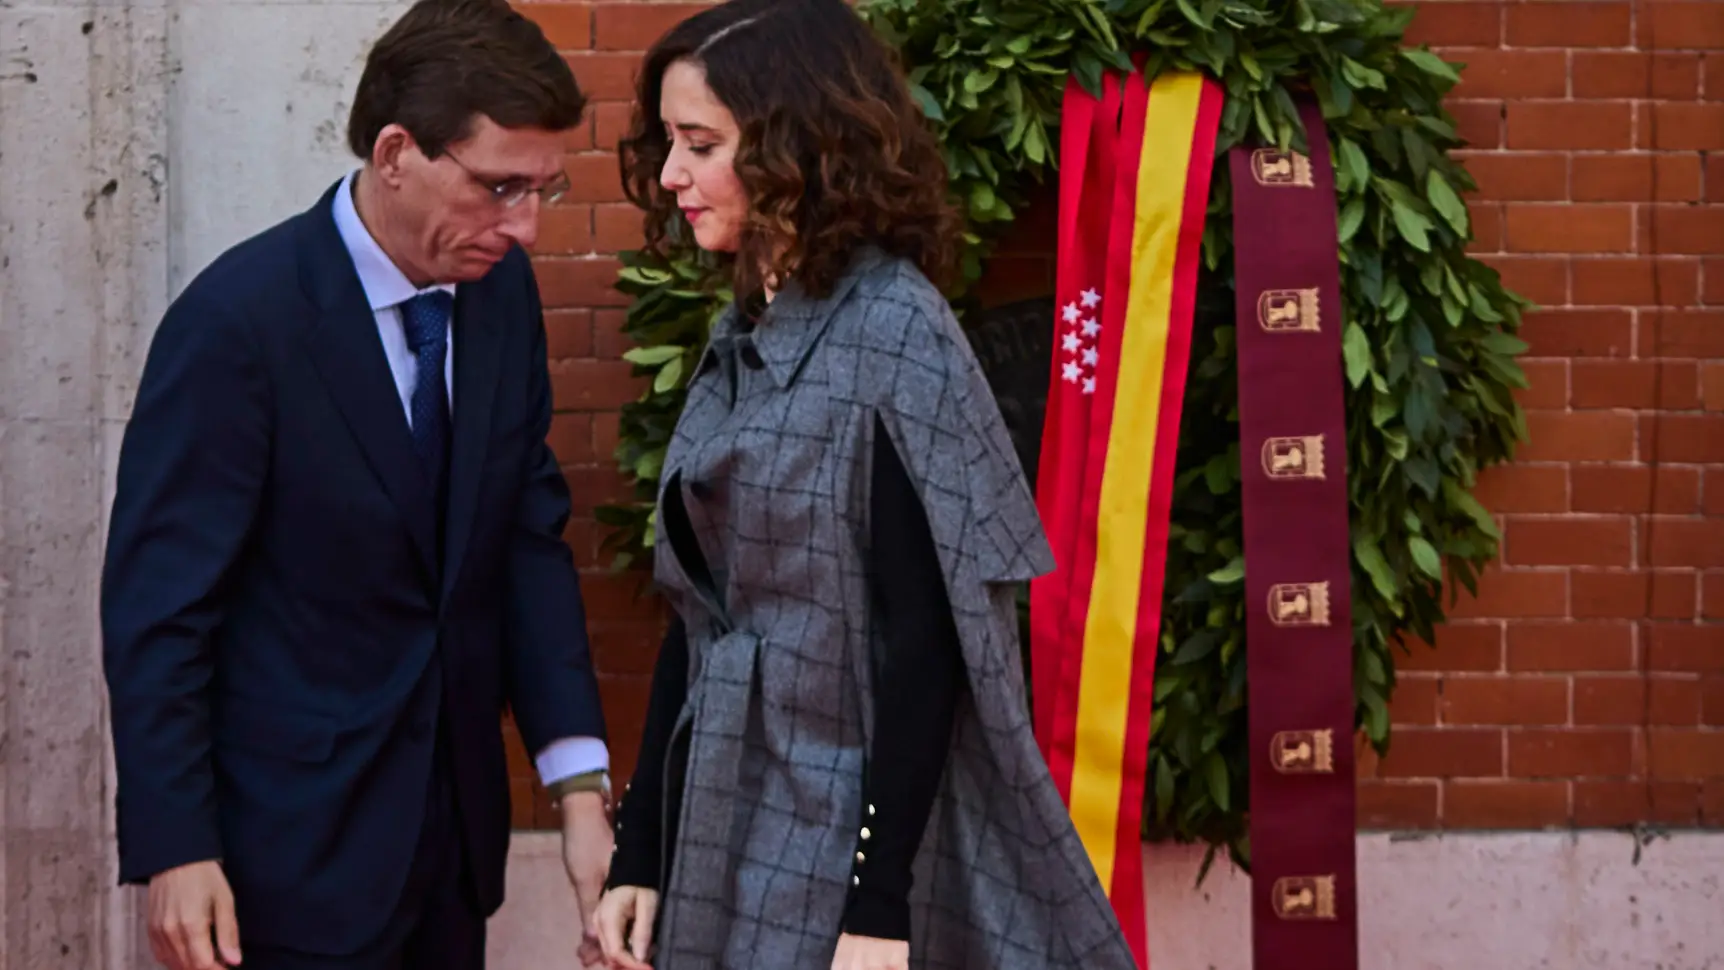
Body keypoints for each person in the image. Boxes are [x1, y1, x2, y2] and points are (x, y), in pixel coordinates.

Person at [587, 1, 1138, 968]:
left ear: (797, 146)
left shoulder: (896, 331)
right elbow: (700, 620)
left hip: (834, 832)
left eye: (701, 144)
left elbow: (931, 645)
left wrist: (879, 904)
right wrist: (642, 850)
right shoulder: (742, 332)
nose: (671, 174)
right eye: (669, 142)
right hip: (722, 812)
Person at [100, 3, 615, 968]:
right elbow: (162, 612)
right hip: (282, 866)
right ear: (394, 152)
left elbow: (522, 543)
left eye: (544, 189)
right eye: (501, 187)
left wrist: (578, 787)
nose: (528, 228)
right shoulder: (238, 323)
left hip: (454, 854)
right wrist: (178, 848)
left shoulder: (501, 298)